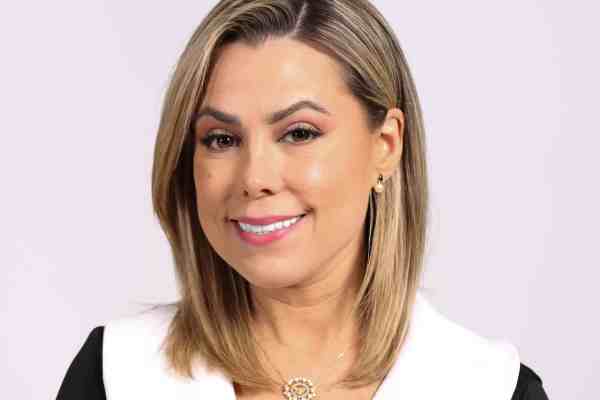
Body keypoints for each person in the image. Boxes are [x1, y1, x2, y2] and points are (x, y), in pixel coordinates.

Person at [56, 0, 549, 399]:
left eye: (299, 133)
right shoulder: (117, 375)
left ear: (385, 145)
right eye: (222, 139)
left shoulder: (488, 387)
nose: (255, 178)